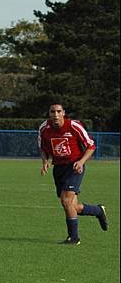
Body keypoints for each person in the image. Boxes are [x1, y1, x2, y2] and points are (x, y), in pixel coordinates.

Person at [38, 103, 108, 245]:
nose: (55, 114)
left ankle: (74, 238)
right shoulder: (44, 128)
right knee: (72, 207)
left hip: (74, 166)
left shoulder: (74, 126)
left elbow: (91, 145)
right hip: (58, 168)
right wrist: (45, 161)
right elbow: (42, 147)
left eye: (58, 111)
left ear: (63, 113)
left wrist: (81, 162)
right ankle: (98, 211)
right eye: (53, 112)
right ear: (49, 113)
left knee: (66, 200)